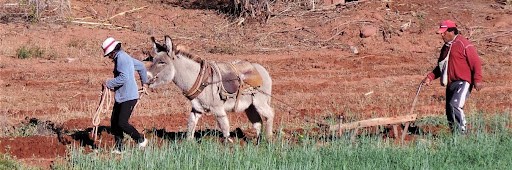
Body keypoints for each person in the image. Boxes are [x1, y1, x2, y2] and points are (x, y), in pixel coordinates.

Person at [422, 20, 483, 133]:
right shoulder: (445, 48)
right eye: (441, 33)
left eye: (444, 32)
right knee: (449, 110)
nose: (442, 35)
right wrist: (430, 77)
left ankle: (463, 134)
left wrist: (477, 79)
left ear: (452, 31)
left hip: (463, 82)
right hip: (450, 84)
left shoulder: (464, 44)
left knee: (455, 105)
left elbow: (476, 62)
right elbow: (441, 67)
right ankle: (455, 135)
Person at [101, 37, 149, 153]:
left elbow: (124, 77)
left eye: (109, 55)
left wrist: (108, 83)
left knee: (122, 122)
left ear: (113, 52)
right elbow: (141, 66)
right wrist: (145, 83)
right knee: (114, 123)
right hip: (122, 96)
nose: (109, 57)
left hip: (128, 96)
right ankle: (119, 148)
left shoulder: (122, 58)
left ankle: (141, 140)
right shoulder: (124, 56)